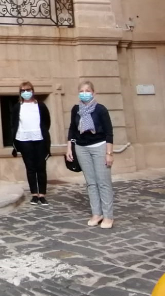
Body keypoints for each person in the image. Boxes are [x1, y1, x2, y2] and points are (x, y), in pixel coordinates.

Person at [66, 80, 115, 229]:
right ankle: (96, 213)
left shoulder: (100, 110)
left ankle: (108, 216)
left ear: (93, 93)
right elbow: (72, 129)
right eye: (82, 91)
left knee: (103, 182)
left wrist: (109, 153)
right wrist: (69, 147)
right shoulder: (76, 109)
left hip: (99, 147)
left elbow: (109, 133)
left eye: (88, 91)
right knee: (91, 183)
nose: (84, 93)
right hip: (81, 148)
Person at [10, 82, 51, 205]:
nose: (25, 92)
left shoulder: (41, 105)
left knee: (41, 167)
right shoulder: (18, 106)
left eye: (28, 90)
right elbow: (13, 123)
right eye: (23, 90)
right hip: (24, 139)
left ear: (33, 90)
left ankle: (42, 194)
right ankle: (34, 194)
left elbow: (47, 122)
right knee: (30, 167)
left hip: (39, 139)